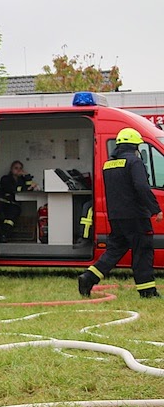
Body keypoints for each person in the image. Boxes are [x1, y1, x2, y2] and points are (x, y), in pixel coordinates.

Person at [78, 127, 161, 299]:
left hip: (116, 217)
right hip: (136, 217)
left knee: (114, 250)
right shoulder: (134, 162)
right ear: (134, 146)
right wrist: (155, 209)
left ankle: (88, 278)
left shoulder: (109, 165)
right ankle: (147, 292)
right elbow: (141, 187)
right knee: (143, 251)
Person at [0, 161, 38, 241]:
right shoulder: (5, 178)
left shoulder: (22, 179)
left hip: (14, 204)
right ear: (11, 169)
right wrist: (26, 188)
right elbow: (12, 189)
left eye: (20, 168)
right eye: (16, 168)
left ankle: (4, 235)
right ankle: (1, 234)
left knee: (11, 218)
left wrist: (27, 177)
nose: (18, 170)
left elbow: (28, 187)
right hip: (3, 202)